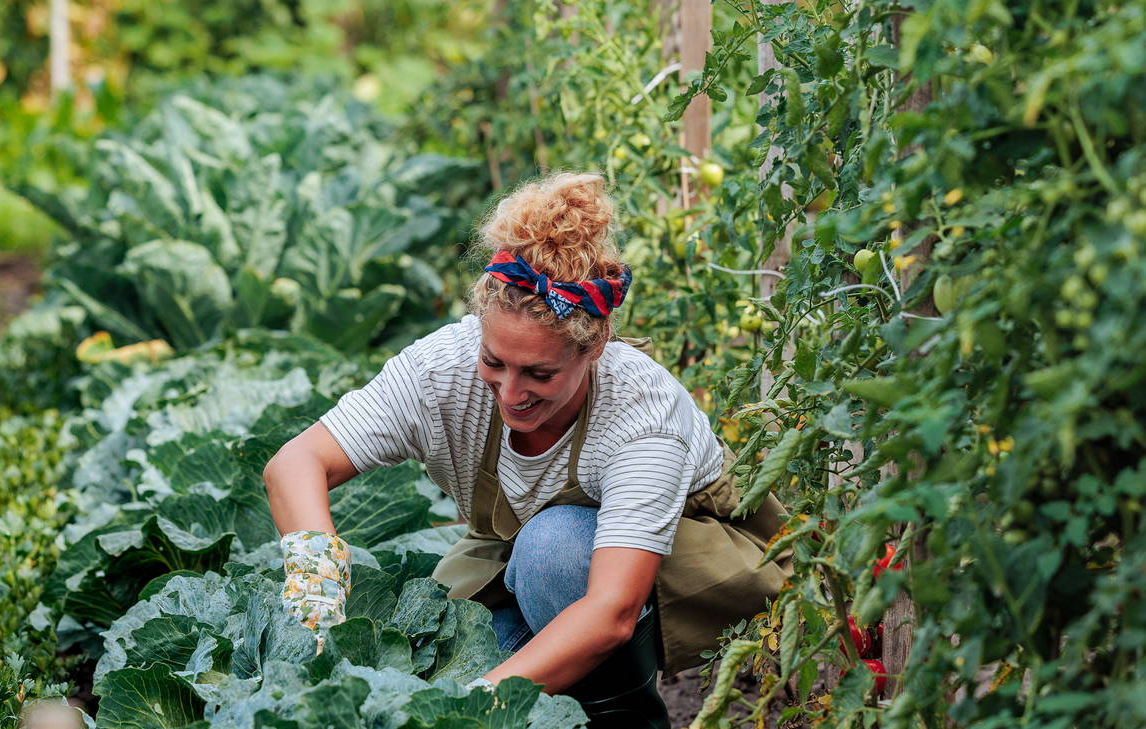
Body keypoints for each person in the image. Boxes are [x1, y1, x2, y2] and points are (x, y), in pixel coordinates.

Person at [264, 172, 787, 727]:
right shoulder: (441, 370)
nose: (511, 393)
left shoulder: (641, 413)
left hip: (676, 568)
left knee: (554, 551)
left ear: (596, 346)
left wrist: (473, 704)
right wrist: (317, 583)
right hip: (515, 556)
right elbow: (296, 463)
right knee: (439, 660)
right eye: (494, 362)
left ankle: (627, 719)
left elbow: (610, 611)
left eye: (539, 373)